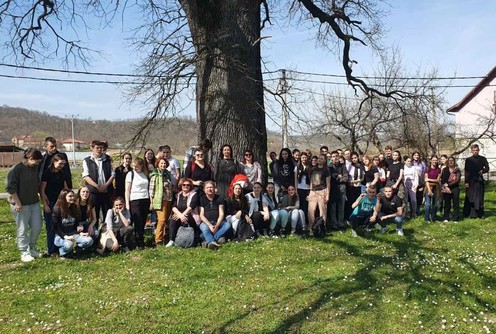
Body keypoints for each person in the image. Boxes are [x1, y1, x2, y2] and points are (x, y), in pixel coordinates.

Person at [6, 148, 43, 262]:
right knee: (22, 229)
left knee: (37, 226)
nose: (38, 164)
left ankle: (32, 248)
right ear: (30, 158)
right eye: (37, 161)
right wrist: (17, 203)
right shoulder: (16, 169)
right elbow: (10, 188)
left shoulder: (35, 168)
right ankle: (24, 252)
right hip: (21, 205)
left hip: (34, 203)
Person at [39, 153, 68, 256]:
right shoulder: (47, 173)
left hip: (60, 202)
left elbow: (65, 187)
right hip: (50, 202)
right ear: (54, 161)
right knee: (51, 227)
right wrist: (45, 205)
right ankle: (51, 250)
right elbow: (42, 190)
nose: (62, 166)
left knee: (60, 226)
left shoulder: (62, 172)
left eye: (63, 164)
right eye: (60, 164)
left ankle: (61, 248)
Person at [52, 189, 94, 258]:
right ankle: (62, 252)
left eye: (73, 196)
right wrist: (65, 237)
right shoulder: (57, 209)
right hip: (61, 236)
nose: (72, 198)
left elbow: (76, 223)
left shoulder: (74, 207)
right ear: (63, 197)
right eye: (70, 196)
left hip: (73, 233)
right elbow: (55, 227)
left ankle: (76, 250)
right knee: (69, 244)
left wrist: (80, 231)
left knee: (89, 240)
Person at [82, 140, 115, 222]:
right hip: (93, 192)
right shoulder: (87, 160)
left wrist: (106, 185)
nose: (99, 150)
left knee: (107, 214)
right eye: (97, 148)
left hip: (106, 192)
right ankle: (94, 233)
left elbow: (113, 174)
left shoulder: (108, 159)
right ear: (92, 148)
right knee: (94, 216)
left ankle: (107, 233)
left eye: (101, 148)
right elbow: (86, 176)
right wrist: (97, 186)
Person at [125, 157, 150, 249]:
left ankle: (140, 239)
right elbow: (127, 190)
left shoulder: (145, 174)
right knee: (137, 221)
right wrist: (127, 203)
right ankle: (138, 241)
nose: (135, 168)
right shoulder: (130, 174)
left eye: (137, 166)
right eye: (134, 166)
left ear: (141, 165)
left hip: (145, 199)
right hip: (135, 199)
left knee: (143, 221)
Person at [167, 178, 200, 247]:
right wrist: (180, 215)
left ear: (190, 186)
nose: (186, 186)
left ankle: (193, 238)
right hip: (180, 215)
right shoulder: (178, 195)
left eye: (188, 185)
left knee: (188, 217)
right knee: (173, 219)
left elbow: (191, 207)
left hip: (190, 215)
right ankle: (171, 240)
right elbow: (174, 207)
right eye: (184, 185)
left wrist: (182, 215)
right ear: (181, 186)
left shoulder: (194, 194)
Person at [199, 181, 232, 249]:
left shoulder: (220, 198)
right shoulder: (202, 199)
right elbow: (201, 215)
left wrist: (216, 226)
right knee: (204, 228)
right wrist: (210, 225)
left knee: (227, 225)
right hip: (207, 223)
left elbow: (221, 214)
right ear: (204, 190)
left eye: (211, 187)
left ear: (215, 189)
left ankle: (210, 240)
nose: (209, 189)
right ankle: (213, 241)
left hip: (218, 222)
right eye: (207, 187)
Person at [149, 157, 174, 246]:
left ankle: (163, 237)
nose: (163, 165)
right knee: (162, 220)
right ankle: (158, 240)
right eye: (161, 163)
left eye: (164, 163)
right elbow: (151, 190)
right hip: (159, 200)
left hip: (168, 199)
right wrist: (151, 202)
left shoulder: (168, 174)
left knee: (166, 220)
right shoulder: (155, 175)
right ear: (158, 164)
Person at [464, 144, 489, 219]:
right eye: (474, 150)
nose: (475, 152)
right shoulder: (468, 160)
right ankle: (470, 214)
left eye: (476, 150)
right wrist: (466, 182)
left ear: (478, 150)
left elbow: (487, 168)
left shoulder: (483, 159)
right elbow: (466, 171)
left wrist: (483, 171)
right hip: (470, 181)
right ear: (471, 151)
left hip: (479, 180)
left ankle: (480, 214)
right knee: (470, 197)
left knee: (479, 198)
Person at [307, 154, 330, 233]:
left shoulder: (326, 170)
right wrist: (310, 192)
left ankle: (322, 228)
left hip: (322, 191)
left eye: (321, 159)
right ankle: (312, 228)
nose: (319, 160)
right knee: (311, 210)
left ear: (324, 160)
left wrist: (327, 195)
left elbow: (328, 183)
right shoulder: (313, 169)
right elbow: (311, 181)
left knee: (322, 211)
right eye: (319, 158)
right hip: (313, 191)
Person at [328, 151, 348, 230]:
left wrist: (339, 178)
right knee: (333, 207)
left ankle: (340, 223)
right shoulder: (329, 167)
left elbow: (345, 177)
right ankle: (334, 223)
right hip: (333, 189)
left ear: (339, 157)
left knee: (341, 207)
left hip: (342, 188)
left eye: (336, 156)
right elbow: (331, 177)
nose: (335, 157)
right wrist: (338, 176)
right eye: (333, 156)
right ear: (331, 158)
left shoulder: (343, 166)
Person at [441, 156, 461, 223]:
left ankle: (455, 218)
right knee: (447, 203)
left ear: (454, 162)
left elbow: (457, 180)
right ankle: (446, 217)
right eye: (449, 160)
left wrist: (448, 185)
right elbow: (442, 179)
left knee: (456, 203)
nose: (451, 162)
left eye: (452, 160)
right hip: (446, 188)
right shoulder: (445, 170)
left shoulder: (457, 170)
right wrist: (446, 187)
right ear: (447, 162)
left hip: (455, 188)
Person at [424, 155, 441, 223]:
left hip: (436, 188)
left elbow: (438, 180)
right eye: (433, 160)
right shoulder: (427, 169)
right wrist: (429, 190)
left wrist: (430, 179)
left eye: (436, 160)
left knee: (435, 204)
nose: (434, 161)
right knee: (428, 204)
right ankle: (427, 219)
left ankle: (433, 218)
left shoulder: (438, 169)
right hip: (428, 187)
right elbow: (426, 180)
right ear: (430, 161)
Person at [295, 151, 310, 218]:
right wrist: (296, 189)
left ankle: (306, 221)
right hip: (300, 188)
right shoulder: (297, 168)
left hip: (308, 189)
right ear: (300, 158)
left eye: (305, 157)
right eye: (303, 157)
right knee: (300, 205)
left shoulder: (310, 167)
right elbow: (295, 179)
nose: (304, 159)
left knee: (307, 206)